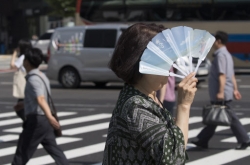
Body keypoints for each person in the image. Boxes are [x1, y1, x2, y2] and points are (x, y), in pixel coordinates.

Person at [102, 23, 198, 165]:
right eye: (162, 62)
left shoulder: (146, 95)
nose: (169, 71)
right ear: (140, 63)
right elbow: (173, 157)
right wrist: (184, 105)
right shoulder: (135, 105)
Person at [191, 31, 250, 150]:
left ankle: (244, 139)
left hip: (221, 92)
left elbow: (222, 75)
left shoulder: (220, 55)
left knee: (228, 116)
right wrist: (235, 89)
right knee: (216, 115)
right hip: (227, 90)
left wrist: (220, 92)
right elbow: (231, 74)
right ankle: (202, 139)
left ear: (218, 41)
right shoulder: (227, 54)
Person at [12, 48, 68, 165]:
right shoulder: (42, 76)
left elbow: (41, 99)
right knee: (55, 151)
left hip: (37, 121)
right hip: (44, 122)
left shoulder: (33, 79)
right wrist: (24, 104)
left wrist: (49, 117)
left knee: (22, 152)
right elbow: (40, 97)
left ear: (26, 62)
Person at [10, 39, 32, 120]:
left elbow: (12, 65)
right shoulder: (30, 56)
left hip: (24, 86)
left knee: (19, 108)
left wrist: (14, 53)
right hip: (30, 84)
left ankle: (28, 123)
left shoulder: (22, 57)